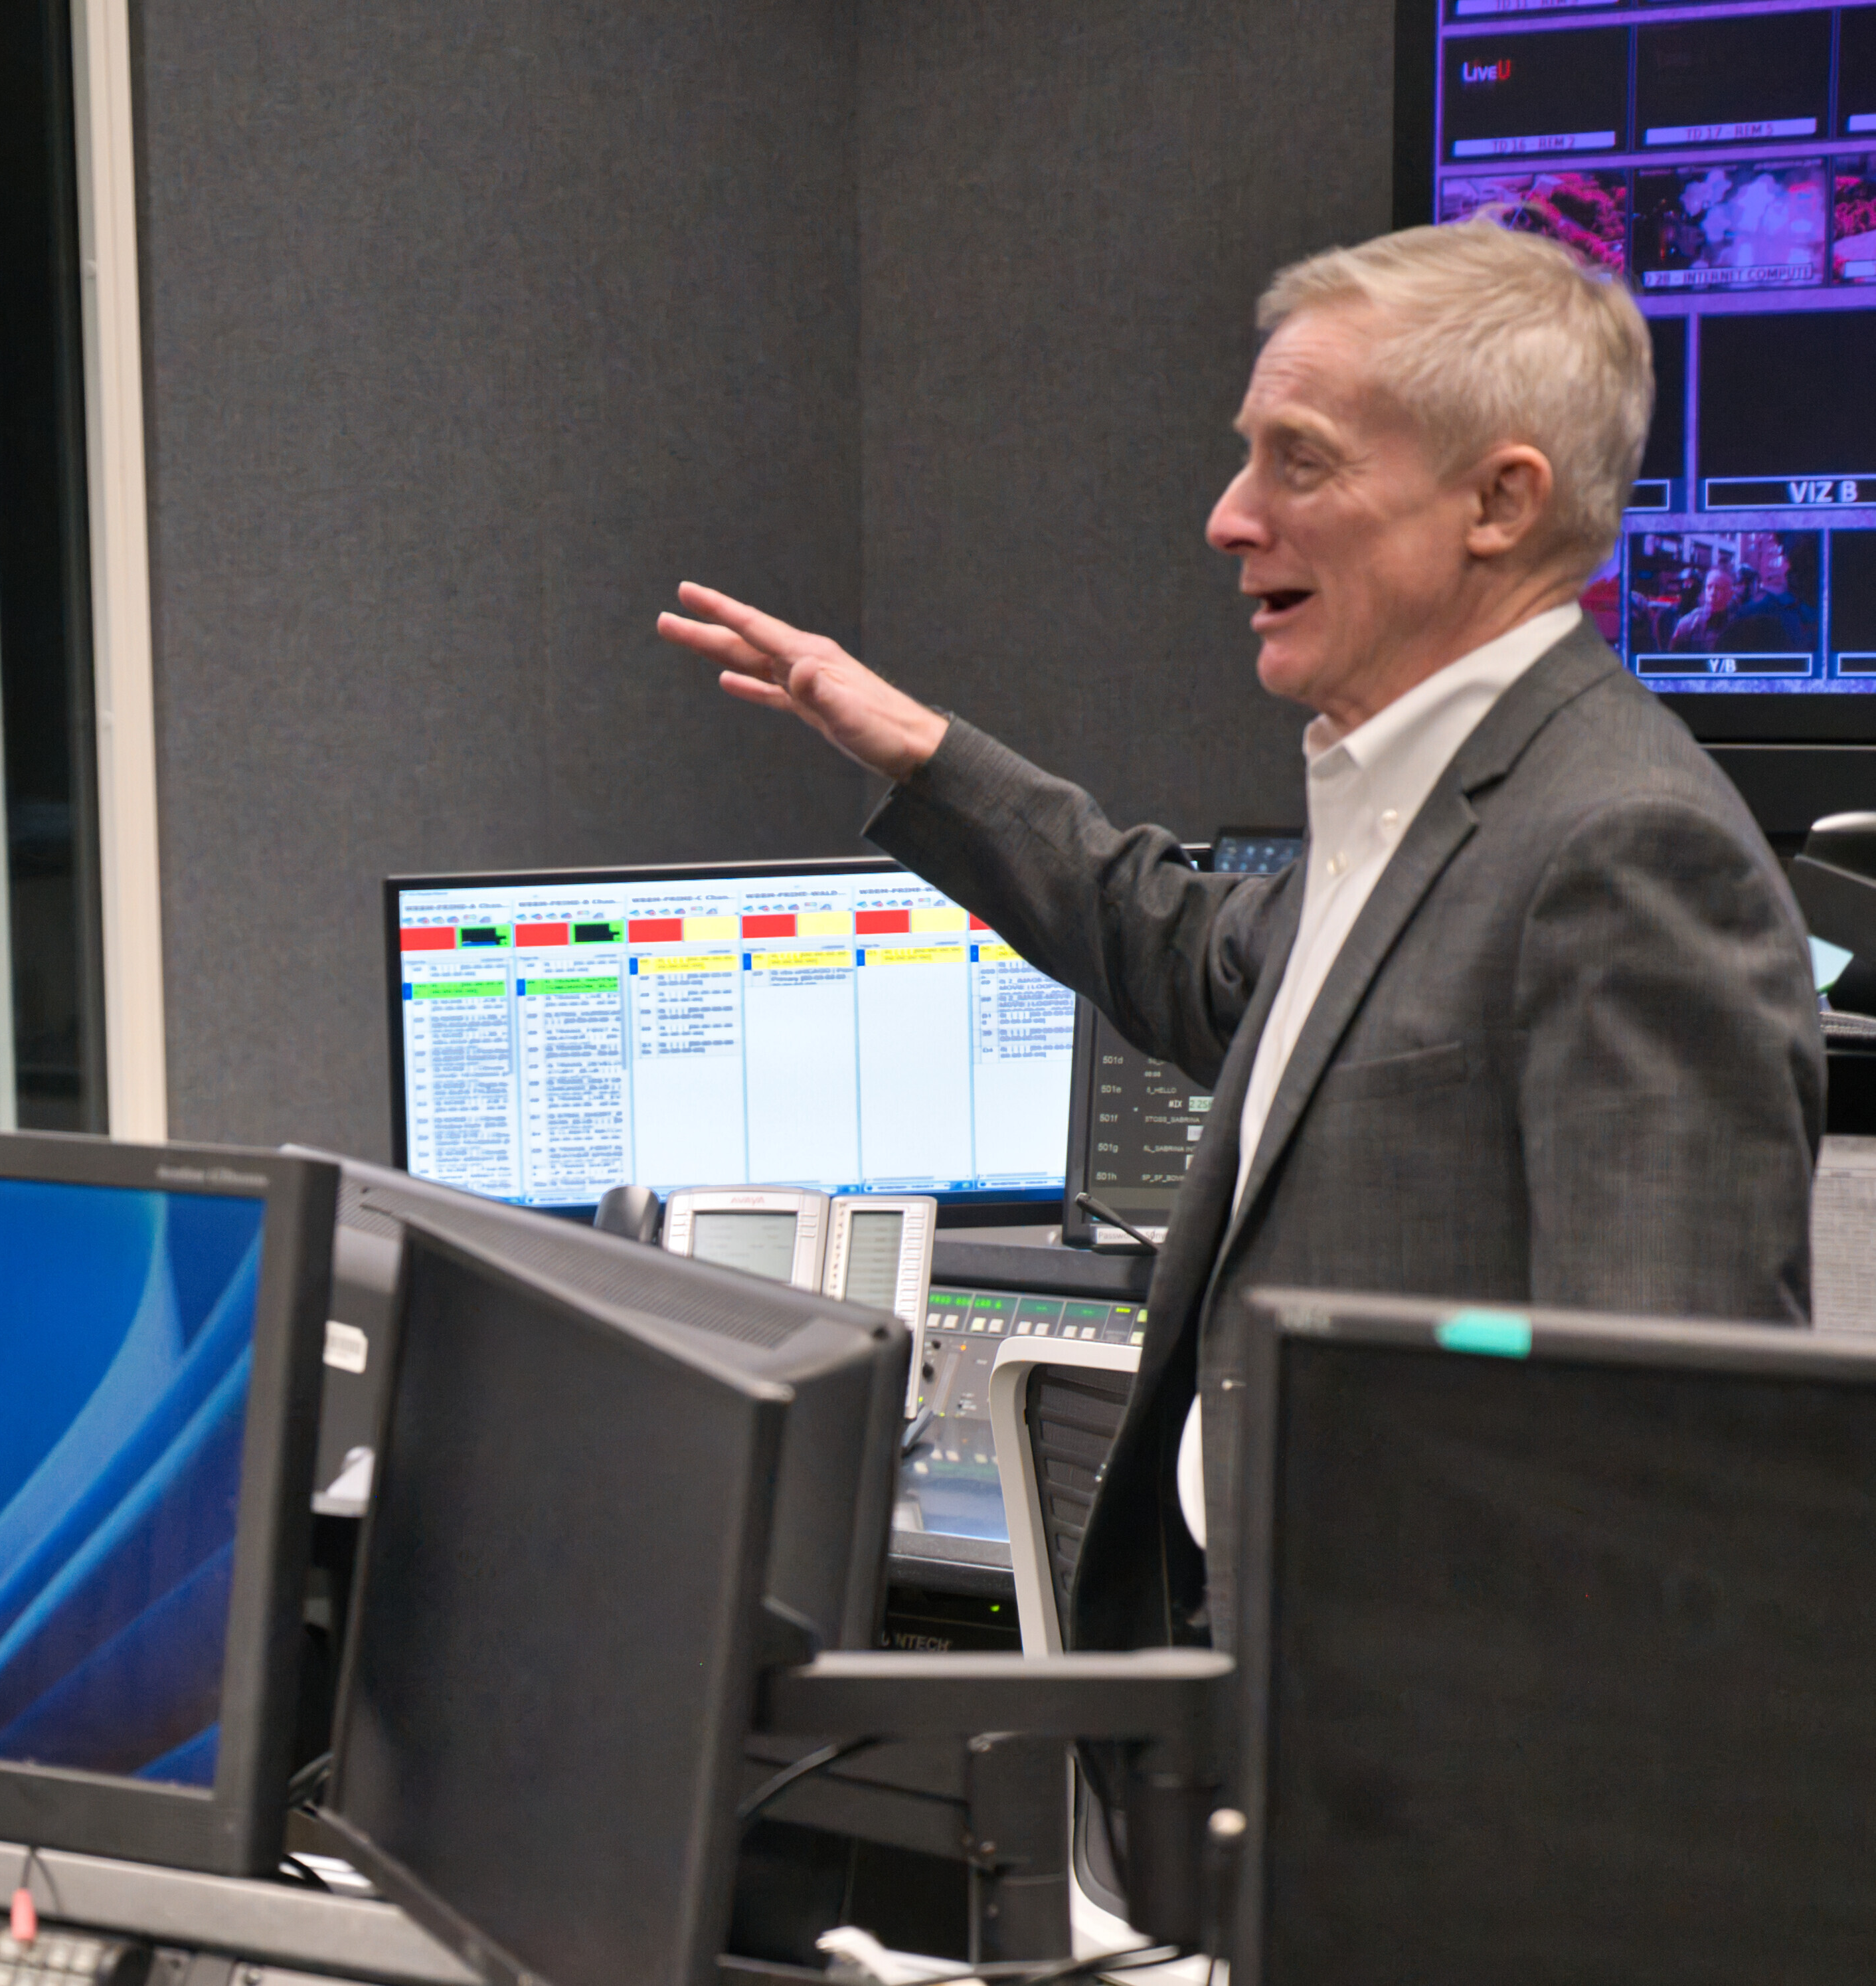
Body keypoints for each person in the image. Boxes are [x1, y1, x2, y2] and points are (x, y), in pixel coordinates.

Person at [659, 218, 1821, 1667]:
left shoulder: (1624, 851)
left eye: (1300, 462)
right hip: (1269, 1687)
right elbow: (1187, 950)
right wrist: (921, 751)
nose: (1228, 516)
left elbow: (1663, 1477)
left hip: (1410, 1742)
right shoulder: (1420, 805)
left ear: (1500, 501)